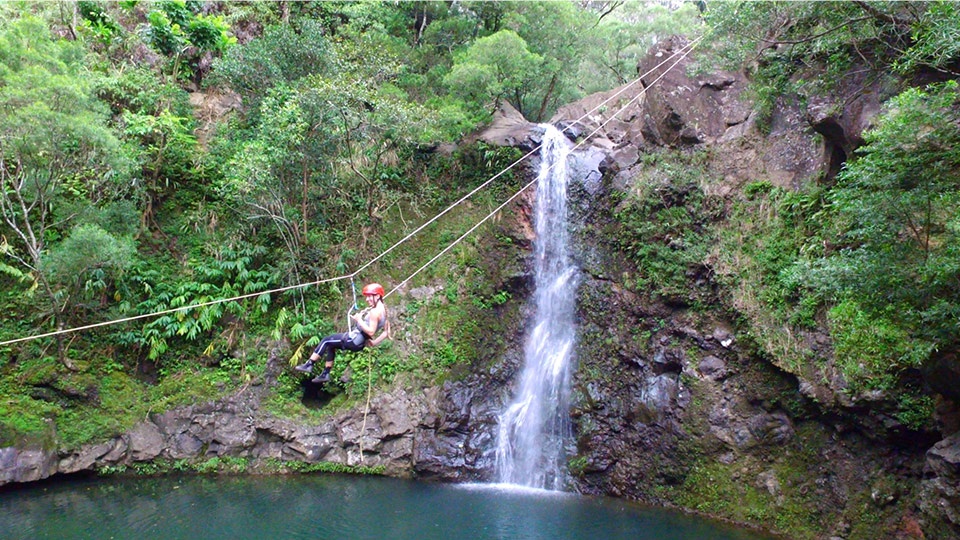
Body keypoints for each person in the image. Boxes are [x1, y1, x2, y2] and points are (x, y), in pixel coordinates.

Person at [295, 283, 391, 383]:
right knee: (331, 345)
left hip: (353, 339)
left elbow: (371, 331)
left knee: (326, 340)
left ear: (378, 296)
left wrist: (359, 320)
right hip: (359, 343)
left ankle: (309, 364)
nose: (367, 300)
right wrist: (373, 343)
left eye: (369, 297)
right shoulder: (384, 310)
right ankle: (325, 373)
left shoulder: (375, 312)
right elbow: (386, 333)